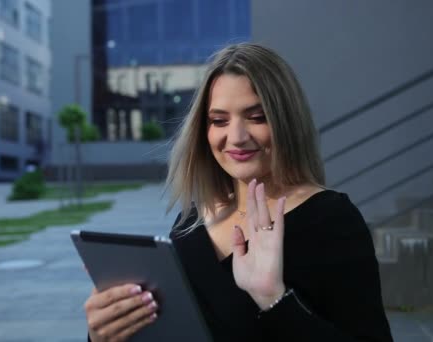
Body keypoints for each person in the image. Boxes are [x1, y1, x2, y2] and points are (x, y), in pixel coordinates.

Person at [83, 43, 393, 341]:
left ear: (287, 121)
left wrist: (273, 299)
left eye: (257, 117)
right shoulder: (191, 221)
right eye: (219, 120)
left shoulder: (332, 219)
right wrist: (106, 334)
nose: (236, 137)